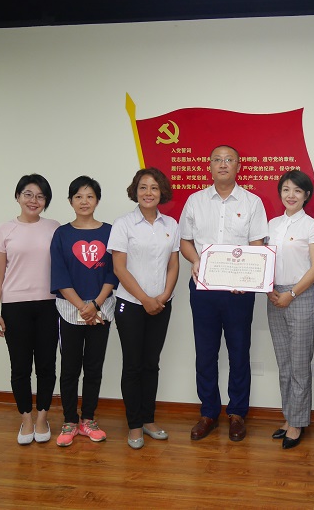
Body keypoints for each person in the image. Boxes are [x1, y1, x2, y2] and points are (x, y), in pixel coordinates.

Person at [180, 145, 268, 442]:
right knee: (205, 352)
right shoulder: (195, 201)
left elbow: (257, 246)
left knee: (239, 351)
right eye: (217, 159)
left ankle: (237, 413)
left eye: (229, 160)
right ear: (209, 165)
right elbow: (185, 241)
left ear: (238, 166)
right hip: (203, 287)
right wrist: (195, 261)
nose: (222, 164)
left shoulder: (252, 202)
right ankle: (208, 412)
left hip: (238, 290)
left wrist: (249, 277)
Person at [108, 168, 180, 449]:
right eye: (143, 187)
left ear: (162, 192)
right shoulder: (123, 224)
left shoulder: (170, 224)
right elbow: (119, 268)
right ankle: (135, 424)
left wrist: (164, 295)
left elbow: (173, 264)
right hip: (131, 304)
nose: (148, 193)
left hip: (162, 304)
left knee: (151, 364)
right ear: (135, 191)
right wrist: (145, 299)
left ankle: (148, 419)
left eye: (154, 188)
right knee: (133, 365)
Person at [0, 174, 60, 445]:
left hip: (49, 305)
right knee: (20, 367)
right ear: (18, 196)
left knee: (46, 365)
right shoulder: (4, 230)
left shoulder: (54, 228)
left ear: (46, 201)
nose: (34, 200)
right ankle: (26, 419)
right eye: (28, 194)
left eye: (40, 196)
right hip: (14, 306)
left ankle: (42, 418)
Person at [50, 176, 117, 447]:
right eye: (78, 196)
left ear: (97, 200)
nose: (84, 201)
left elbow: (114, 272)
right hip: (69, 310)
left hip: (101, 309)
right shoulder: (62, 234)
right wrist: (82, 306)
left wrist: (96, 304)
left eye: (90, 196)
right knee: (69, 368)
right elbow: (59, 275)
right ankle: (69, 420)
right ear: (70, 201)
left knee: (94, 367)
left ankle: (88, 419)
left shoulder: (110, 231)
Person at [266, 170, 314, 449]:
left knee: (300, 365)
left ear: (306, 196)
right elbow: (264, 260)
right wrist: (268, 288)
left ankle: (297, 423)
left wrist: (291, 294)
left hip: (299, 296)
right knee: (284, 364)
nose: (291, 195)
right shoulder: (272, 224)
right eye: (286, 189)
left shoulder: (312, 226)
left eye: (297, 191)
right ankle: (289, 416)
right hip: (274, 296)